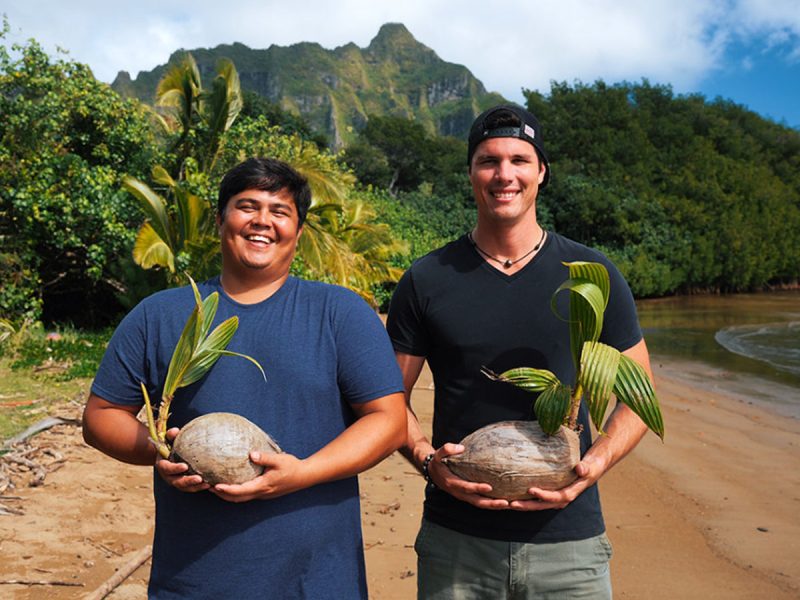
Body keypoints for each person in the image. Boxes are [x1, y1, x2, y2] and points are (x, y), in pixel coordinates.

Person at [83, 157, 407, 599]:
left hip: (318, 582)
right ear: (220, 220)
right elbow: (101, 416)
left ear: (299, 230)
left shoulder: (340, 313)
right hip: (194, 582)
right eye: (247, 206)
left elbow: (388, 421)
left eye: (280, 211)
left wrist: (302, 473)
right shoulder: (159, 315)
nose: (262, 221)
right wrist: (162, 453)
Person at [386, 104, 655, 599]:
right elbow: (387, 404)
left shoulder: (592, 275)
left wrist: (594, 464)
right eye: (488, 160)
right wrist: (429, 464)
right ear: (470, 172)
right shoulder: (426, 280)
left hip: (569, 545)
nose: (503, 174)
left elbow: (638, 397)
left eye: (519, 159)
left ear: (541, 172)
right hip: (456, 544)